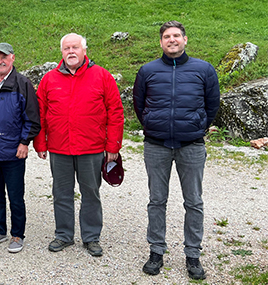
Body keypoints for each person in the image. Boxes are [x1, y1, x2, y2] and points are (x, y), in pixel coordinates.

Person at [133, 21, 219, 280]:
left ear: (185, 40)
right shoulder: (147, 71)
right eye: (167, 36)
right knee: (156, 200)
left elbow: (212, 104)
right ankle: (156, 251)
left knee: (194, 202)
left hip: (191, 145)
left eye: (176, 36)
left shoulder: (203, 69)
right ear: (161, 42)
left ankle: (193, 255)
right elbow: (139, 105)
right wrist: (151, 124)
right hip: (156, 145)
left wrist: (199, 126)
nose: (172, 40)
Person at [34, 33, 124, 257]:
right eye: (66, 48)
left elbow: (115, 112)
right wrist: (40, 143)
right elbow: (40, 113)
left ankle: (91, 236)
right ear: (61, 52)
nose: (71, 52)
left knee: (90, 193)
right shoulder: (49, 79)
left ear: (84, 50)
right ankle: (63, 235)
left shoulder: (102, 76)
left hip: (91, 148)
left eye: (75, 47)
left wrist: (113, 146)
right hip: (59, 147)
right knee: (61, 193)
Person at [0, 43, 40, 253]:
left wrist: (24, 142)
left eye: (4, 57)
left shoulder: (22, 84)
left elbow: (31, 117)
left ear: (12, 58)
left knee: (15, 196)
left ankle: (17, 234)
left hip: (13, 151)